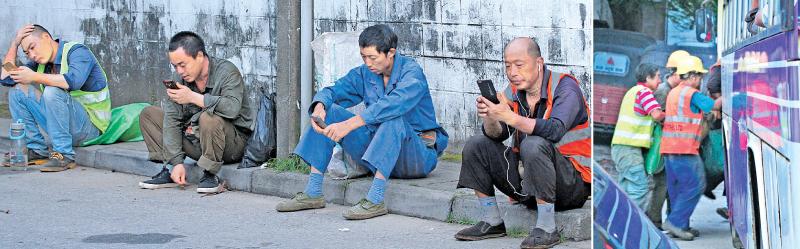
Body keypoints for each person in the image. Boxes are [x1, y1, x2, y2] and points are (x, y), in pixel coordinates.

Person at [274, 24, 448, 220]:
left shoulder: (412, 73)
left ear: (391, 53)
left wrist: (348, 125)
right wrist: (320, 105)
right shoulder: (366, 73)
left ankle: (375, 199)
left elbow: (393, 104)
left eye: (372, 57)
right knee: (329, 111)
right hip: (378, 151)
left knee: (392, 117)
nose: (368, 63)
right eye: (364, 57)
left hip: (415, 156)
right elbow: (334, 90)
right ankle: (313, 191)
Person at [454, 37, 590, 249]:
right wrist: (491, 115)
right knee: (476, 144)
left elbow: (554, 129)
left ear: (538, 63)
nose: (512, 72)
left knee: (534, 143)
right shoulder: (514, 91)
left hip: (570, 187)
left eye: (519, 65)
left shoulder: (566, 87)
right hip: (529, 183)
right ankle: (492, 221)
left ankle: (546, 228)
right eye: (508, 66)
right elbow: (497, 135)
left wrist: (510, 117)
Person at [137, 31, 253, 194]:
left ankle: (210, 173)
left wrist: (192, 97)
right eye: (175, 66)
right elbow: (172, 119)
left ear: (199, 56)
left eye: (183, 65)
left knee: (209, 118)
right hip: (198, 141)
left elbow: (232, 108)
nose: (179, 71)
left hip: (232, 145)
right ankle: (170, 170)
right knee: (149, 114)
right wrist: (176, 162)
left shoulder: (227, 72)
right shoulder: (181, 79)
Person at [0, 24, 111, 172]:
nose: (31, 55)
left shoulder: (77, 52)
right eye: (27, 53)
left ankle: (64, 154)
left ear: (46, 37)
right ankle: (36, 149)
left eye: (33, 47)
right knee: (17, 90)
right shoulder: (40, 63)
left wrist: (33, 76)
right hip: (61, 124)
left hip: (89, 128)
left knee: (52, 90)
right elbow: (6, 78)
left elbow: (74, 81)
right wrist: (15, 44)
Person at [660, 55, 722, 240]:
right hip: (685, 149)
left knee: (677, 188)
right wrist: (732, 96)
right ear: (693, 76)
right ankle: (675, 222)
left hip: (669, 148)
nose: (701, 81)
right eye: (700, 77)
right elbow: (713, 105)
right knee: (696, 185)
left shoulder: (674, 93)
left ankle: (681, 225)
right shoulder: (691, 94)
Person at [610, 63, 665, 210]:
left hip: (621, 148)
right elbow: (656, 114)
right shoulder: (644, 92)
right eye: (658, 77)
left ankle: (618, 223)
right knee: (639, 187)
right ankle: (631, 224)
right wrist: (670, 115)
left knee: (626, 190)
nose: (660, 81)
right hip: (629, 150)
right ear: (648, 77)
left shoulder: (632, 91)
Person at [647, 50, 689, 229]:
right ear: (676, 74)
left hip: (671, 146)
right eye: (685, 75)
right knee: (662, 185)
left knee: (673, 185)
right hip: (664, 146)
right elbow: (658, 118)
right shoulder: (664, 91)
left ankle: (672, 222)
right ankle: (654, 221)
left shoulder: (672, 90)